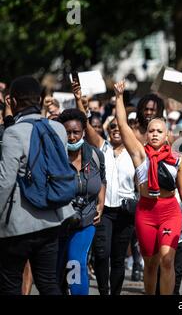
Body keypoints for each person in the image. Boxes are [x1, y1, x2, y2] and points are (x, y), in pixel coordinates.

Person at [114, 80, 182, 295]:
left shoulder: (177, 159)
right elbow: (123, 125)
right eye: (151, 130)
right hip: (145, 212)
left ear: (166, 136)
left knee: (166, 259)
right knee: (151, 264)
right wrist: (118, 97)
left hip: (170, 211)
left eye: (159, 131)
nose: (154, 134)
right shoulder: (139, 154)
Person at [0, 75, 75, 295]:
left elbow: (5, 181)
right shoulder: (58, 129)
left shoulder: (13, 133)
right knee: (48, 282)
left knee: (10, 283)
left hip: (17, 225)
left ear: (12, 102)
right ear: (40, 100)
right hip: (52, 219)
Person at [72, 81, 137, 295]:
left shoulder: (134, 152)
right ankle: (103, 290)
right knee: (102, 254)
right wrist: (78, 99)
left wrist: (120, 97)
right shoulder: (102, 148)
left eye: (120, 127)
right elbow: (86, 126)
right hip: (104, 210)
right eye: (112, 127)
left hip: (126, 211)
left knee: (118, 258)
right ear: (108, 132)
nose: (116, 130)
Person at [56, 108, 106, 295]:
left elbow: (102, 180)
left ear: (84, 132)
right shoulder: (55, 156)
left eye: (76, 132)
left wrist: (100, 205)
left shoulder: (95, 155)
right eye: (67, 132)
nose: (71, 137)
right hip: (58, 222)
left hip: (86, 220)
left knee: (75, 262)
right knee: (56, 270)